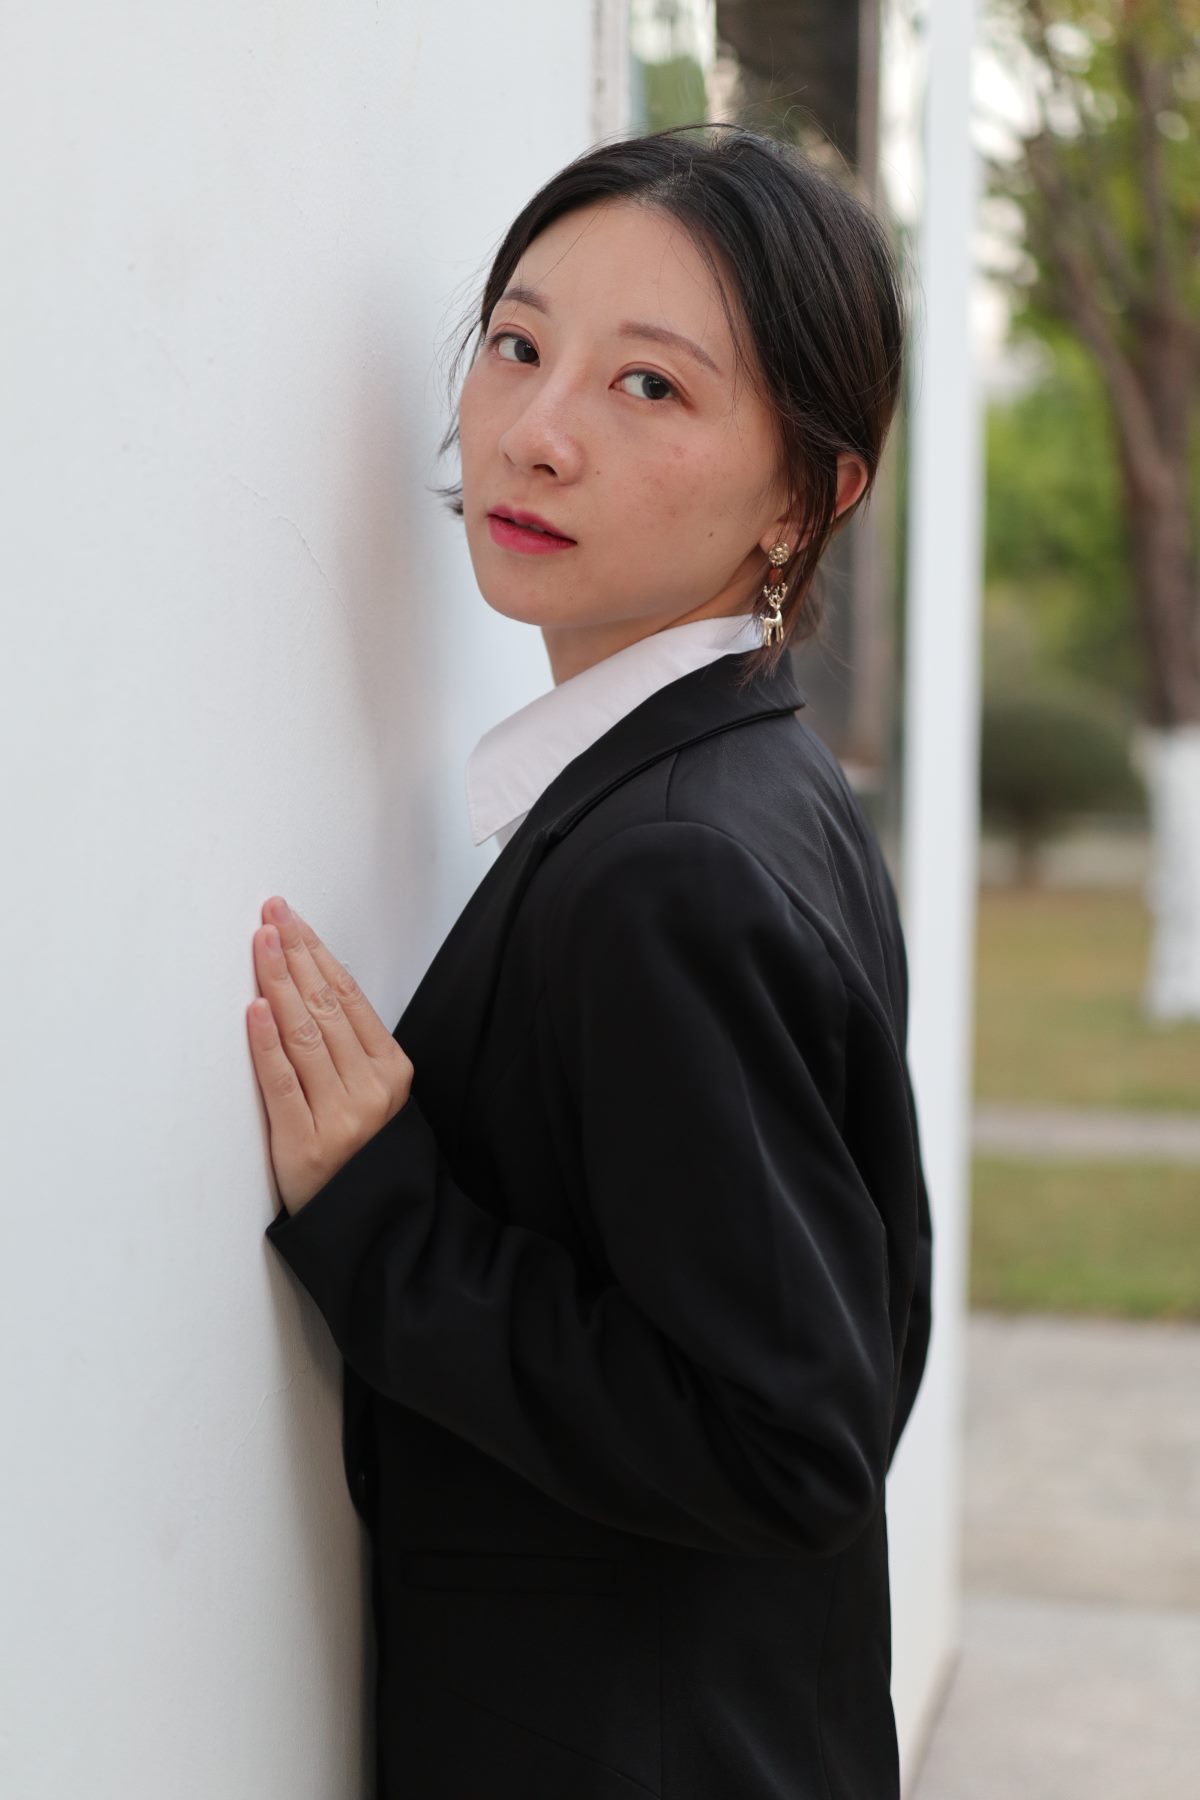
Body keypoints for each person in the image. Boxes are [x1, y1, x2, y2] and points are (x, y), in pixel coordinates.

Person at [250, 123, 933, 1800]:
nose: (536, 433)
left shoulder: (672, 868)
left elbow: (788, 1440)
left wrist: (383, 1218)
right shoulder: (755, 776)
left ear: (809, 496)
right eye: (517, 346)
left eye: (650, 387)